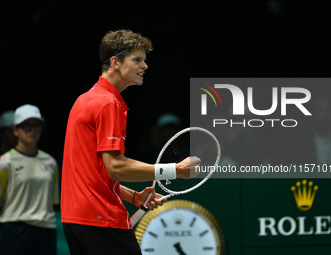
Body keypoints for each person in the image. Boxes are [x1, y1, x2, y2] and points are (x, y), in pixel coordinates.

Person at [61, 29, 199, 255]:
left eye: (144, 60)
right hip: (100, 219)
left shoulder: (84, 99)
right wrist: (175, 170)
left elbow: (93, 172)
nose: (145, 66)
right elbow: (116, 167)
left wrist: (132, 196)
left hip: (75, 220)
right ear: (115, 62)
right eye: (137, 60)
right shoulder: (107, 103)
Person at [0, 104, 59, 255]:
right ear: (15, 130)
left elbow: (53, 201)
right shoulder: (5, 162)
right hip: (14, 231)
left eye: (37, 125)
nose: (32, 130)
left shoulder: (51, 163)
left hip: (46, 231)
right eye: (26, 126)